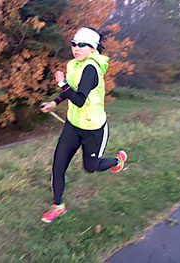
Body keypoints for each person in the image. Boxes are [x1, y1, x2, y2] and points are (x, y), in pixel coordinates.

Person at [40, 27, 127, 223]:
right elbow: (71, 90)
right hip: (73, 125)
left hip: (94, 130)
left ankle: (117, 161)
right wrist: (55, 102)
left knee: (91, 167)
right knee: (58, 166)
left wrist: (61, 83)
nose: (76, 48)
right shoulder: (74, 65)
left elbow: (79, 99)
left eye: (82, 45)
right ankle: (58, 206)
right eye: (73, 44)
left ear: (92, 48)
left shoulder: (91, 69)